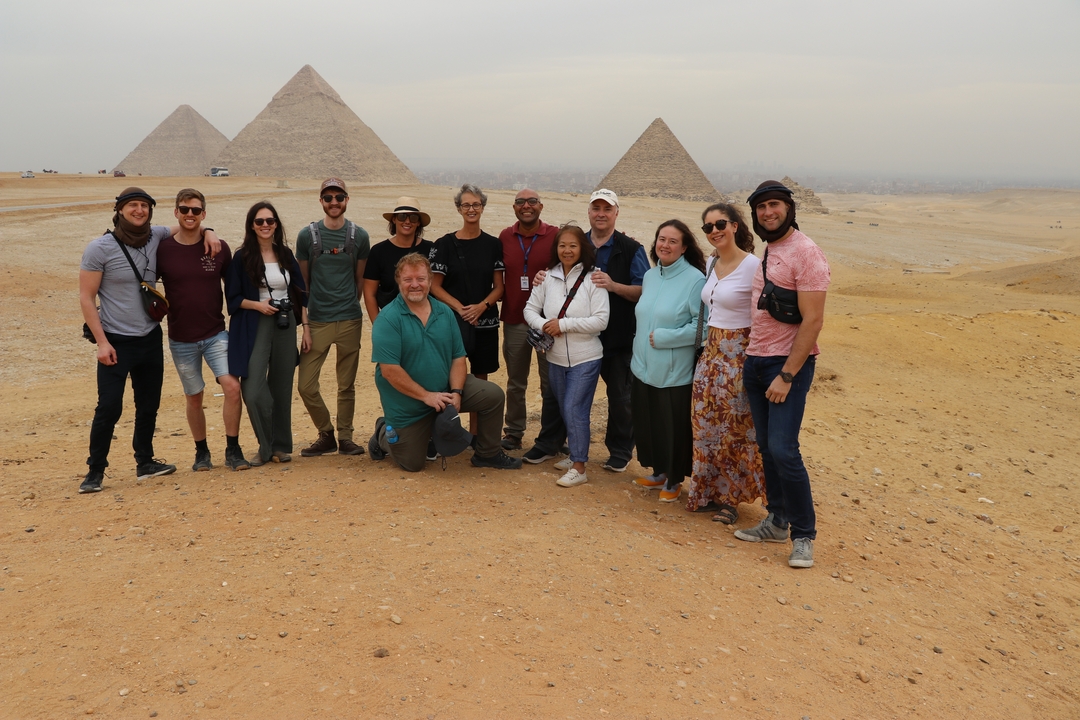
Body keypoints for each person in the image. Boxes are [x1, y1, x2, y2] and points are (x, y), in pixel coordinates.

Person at [78, 187, 219, 494]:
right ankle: (95, 471)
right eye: (132, 206)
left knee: (148, 406)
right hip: (115, 340)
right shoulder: (99, 248)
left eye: (144, 205)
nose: (139, 210)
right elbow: (87, 298)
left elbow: (187, 223)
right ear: (119, 211)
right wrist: (102, 343)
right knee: (109, 407)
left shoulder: (155, 236)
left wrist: (209, 230)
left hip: (149, 337)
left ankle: (145, 462)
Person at [733, 181, 830, 570]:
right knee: (768, 450)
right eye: (760, 208)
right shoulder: (771, 249)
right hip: (757, 361)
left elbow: (813, 320)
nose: (767, 213)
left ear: (789, 208)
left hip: (784, 365)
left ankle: (803, 535)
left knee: (785, 451)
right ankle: (776, 520)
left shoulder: (807, 252)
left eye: (774, 205)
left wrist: (787, 375)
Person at [368, 253, 522, 472]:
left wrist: (457, 391)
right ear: (398, 281)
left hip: (445, 391)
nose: (415, 285)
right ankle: (382, 431)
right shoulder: (388, 319)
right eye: (408, 280)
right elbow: (390, 371)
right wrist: (427, 397)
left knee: (493, 395)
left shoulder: (444, 313)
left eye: (420, 279)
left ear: (430, 281)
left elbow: (458, 357)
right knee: (412, 463)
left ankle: (488, 453)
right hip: (410, 405)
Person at [157, 188, 249, 472]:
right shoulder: (163, 249)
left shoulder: (217, 247)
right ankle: (201, 452)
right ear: (176, 212)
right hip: (181, 337)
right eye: (184, 209)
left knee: (233, 388)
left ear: (204, 214)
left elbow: (234, 287)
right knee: (194, 396)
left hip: (215, 333)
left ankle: (233, 449)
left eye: (196, 211)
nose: (189, 215)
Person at [686, 203, 765, 524]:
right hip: (711, 354)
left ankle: (732, 499)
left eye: (720, 224)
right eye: (707, 227)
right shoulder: (709, 263)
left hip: (739, 353)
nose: (714, 231)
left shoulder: (753, 265)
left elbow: (763, 316)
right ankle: (707, 492)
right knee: (705, 425)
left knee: (735, 429)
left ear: (734, 225)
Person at [523, 225, 608, 487]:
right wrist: (544, 325)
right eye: (562, 245)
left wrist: (564, 325)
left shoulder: (594, 278)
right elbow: (529, 309)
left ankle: (580, 467)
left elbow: (601, 320)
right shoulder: (547, 277)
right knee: (565, 408)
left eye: (573, 245)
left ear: (582, 247)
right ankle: (575, 455)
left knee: (574, 408)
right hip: (555, 358)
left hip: (586, 357)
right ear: (556, 248)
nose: (567, 250)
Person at [629, 220, 707, 502]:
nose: (665, 245)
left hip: (674, 370)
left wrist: (665, 338)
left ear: (684, 247)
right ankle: (659, 471)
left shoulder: (695, 279)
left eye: (673, 241)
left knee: (673, 426)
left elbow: (703, 326)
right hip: (643, 365)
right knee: (649, 422)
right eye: (662, 239)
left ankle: (674, 480)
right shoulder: (651, 276)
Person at [225, 202, 306, 466]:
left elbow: (301, 293)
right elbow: (233, 298)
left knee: (282, 386)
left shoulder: (285, 254)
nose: (265, 225)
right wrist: (259, 305)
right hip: (254, 322)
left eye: (270, 221)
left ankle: (280, 447)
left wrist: (305, 328)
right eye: (259, 221)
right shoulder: (242, 256)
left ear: (276, 224)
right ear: (251, 225)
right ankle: (264, 444)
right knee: (254, 389)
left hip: (284, 324)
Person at [295, 178, 371, 457]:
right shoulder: (307, 236)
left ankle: (346, 437)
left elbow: (360, 280)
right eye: (328, 198)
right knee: (306, 385)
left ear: (347, 199)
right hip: (317, 321)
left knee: (346, 384)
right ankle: (325, 432)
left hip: (350, 319)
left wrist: (349, 305)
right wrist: (305, 325)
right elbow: (302, 285)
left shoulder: (359, 236)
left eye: (339, 197)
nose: (334, 202)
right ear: (321, 202)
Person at [586, 189, 650, 473]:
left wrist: (613, 286)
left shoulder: (632, 249)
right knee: (573, 394)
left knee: (620, 398)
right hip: (582, 335)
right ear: (589, 211)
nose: (601, 213)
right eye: (596, 208)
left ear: (616, 213)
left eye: (607, 209)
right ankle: (567, 444)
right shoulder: (576, 244)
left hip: (619, 337)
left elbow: (643, 291)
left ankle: (620, 451)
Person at [497, 188, 565, 454]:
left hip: (547, 320)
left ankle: (554, 435)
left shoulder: (555, 235)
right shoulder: (505, 236)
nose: (527, 206)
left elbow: (573, 260)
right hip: (514, 318)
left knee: (551, 380)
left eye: (532, 201)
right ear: (514, 208)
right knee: (516, 380)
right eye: (521, 202)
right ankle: (513, 432)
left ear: (541, 206)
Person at [429, 184, 505, 382]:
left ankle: (476, 416)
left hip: (484, 322)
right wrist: (461, 309)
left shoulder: (493, 245)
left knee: (481, 383)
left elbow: (499, 287)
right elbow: (434, 286)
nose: (471, 209)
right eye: (466, 205)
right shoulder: (444, 244)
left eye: (476, 204)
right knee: (451, 380)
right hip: (453, 323)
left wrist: (481, 306)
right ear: (458, 208)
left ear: (482, 207)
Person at [363, 197, 434, 324]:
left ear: (418, 223)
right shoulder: (378, 251)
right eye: (402, 216)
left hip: (425, 321)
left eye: (413, 218)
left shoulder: (431, 250)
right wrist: (380, 325)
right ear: (394, 220)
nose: (407, 221)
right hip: (392, 321)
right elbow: (369, 293)